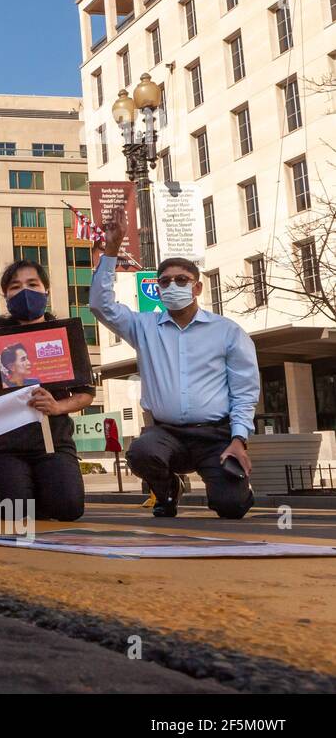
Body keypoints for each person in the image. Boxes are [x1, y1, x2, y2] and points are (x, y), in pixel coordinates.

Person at [91, 221, 259, 519]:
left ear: (197, 287)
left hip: (215, 437)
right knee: (141, 452)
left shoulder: (228, 332)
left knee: (231, 508)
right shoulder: (143, 327)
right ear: (158, 288)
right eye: (165, 281)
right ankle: (168, 490)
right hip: (165, 434)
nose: (173, 286)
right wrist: (112, 251)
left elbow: (244, 392)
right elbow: (101, 306)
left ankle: (236, 488)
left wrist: (239, 439)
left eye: (181, 280)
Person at [0, 250, 93, 521]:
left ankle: (46, 491)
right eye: (15, 287)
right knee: (13, 512)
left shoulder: (65, 333)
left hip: (53, 444)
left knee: (69, 509)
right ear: (5, 296)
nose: (24, 291)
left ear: (46, 290)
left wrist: (58, 406)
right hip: (5, 446)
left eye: (32, 284)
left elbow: (85, 393)